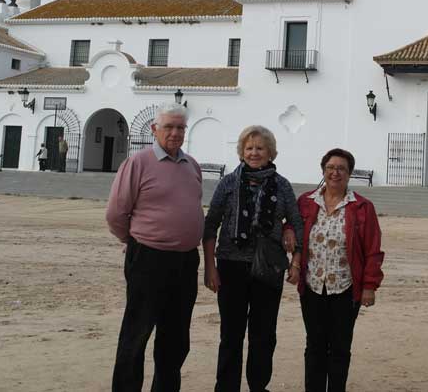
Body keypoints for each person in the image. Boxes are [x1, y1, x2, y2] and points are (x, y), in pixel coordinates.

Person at [105, 103, 203, 392]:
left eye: (180, 128)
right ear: (154, 129)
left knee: (175, 337)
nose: (175, 133)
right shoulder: (137, 163)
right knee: (137, 333)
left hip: (185, 261)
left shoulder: (191, 165)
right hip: (148, 259)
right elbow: (115, 214)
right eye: (169, 127)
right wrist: (134, 241)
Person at [203, 125, 303, 392]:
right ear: (241, 152)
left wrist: (295, 260)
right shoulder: (228, 183)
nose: (254, 153)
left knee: (264, 334)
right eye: (249, 148)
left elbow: (296, 221)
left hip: (269, 267)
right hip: (231, 265)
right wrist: (209, 267)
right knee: (231, 334)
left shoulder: (281, 185)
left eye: (260, 148)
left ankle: (258, 386)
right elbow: (211, 224)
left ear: (270, 152)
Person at [293, 148, 384, 392]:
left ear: (350, 173)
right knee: (315, 346)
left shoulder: (362, 207)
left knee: (340, 348)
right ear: (323, 170)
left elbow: (373, 249)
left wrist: (369, 286)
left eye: (341, 168)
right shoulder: (306, 202)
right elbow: (292, 231)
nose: (335, 173)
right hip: (312, 287)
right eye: (330, 168)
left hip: (345, 289)